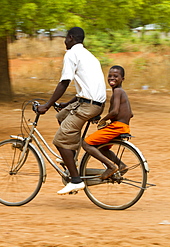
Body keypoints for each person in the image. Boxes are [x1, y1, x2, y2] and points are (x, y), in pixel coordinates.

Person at [37, 27, 106, 195]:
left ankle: (75, 180)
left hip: (88, 105)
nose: (64, 42)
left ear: (71, 38)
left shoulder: (71, 54)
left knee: (60, 140)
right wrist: (65, 104)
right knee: (61, 116)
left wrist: (46, 105)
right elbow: (86, 88)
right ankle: (71, 158)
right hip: (92, 102)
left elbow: (64, 82)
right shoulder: (89, 56)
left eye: (65, 38)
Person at [82, 65, 133, 180]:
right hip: (123, 126)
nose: (112, 78)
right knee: (103, 148)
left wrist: (103, 120)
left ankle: (111, 166)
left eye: (116, 76)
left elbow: (114, 111)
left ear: (122, 79)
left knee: (86, 144)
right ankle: (121, 165)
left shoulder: (118, 92)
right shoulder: (121, 92)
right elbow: (130, 114)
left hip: (118, 126)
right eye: (109, 76)